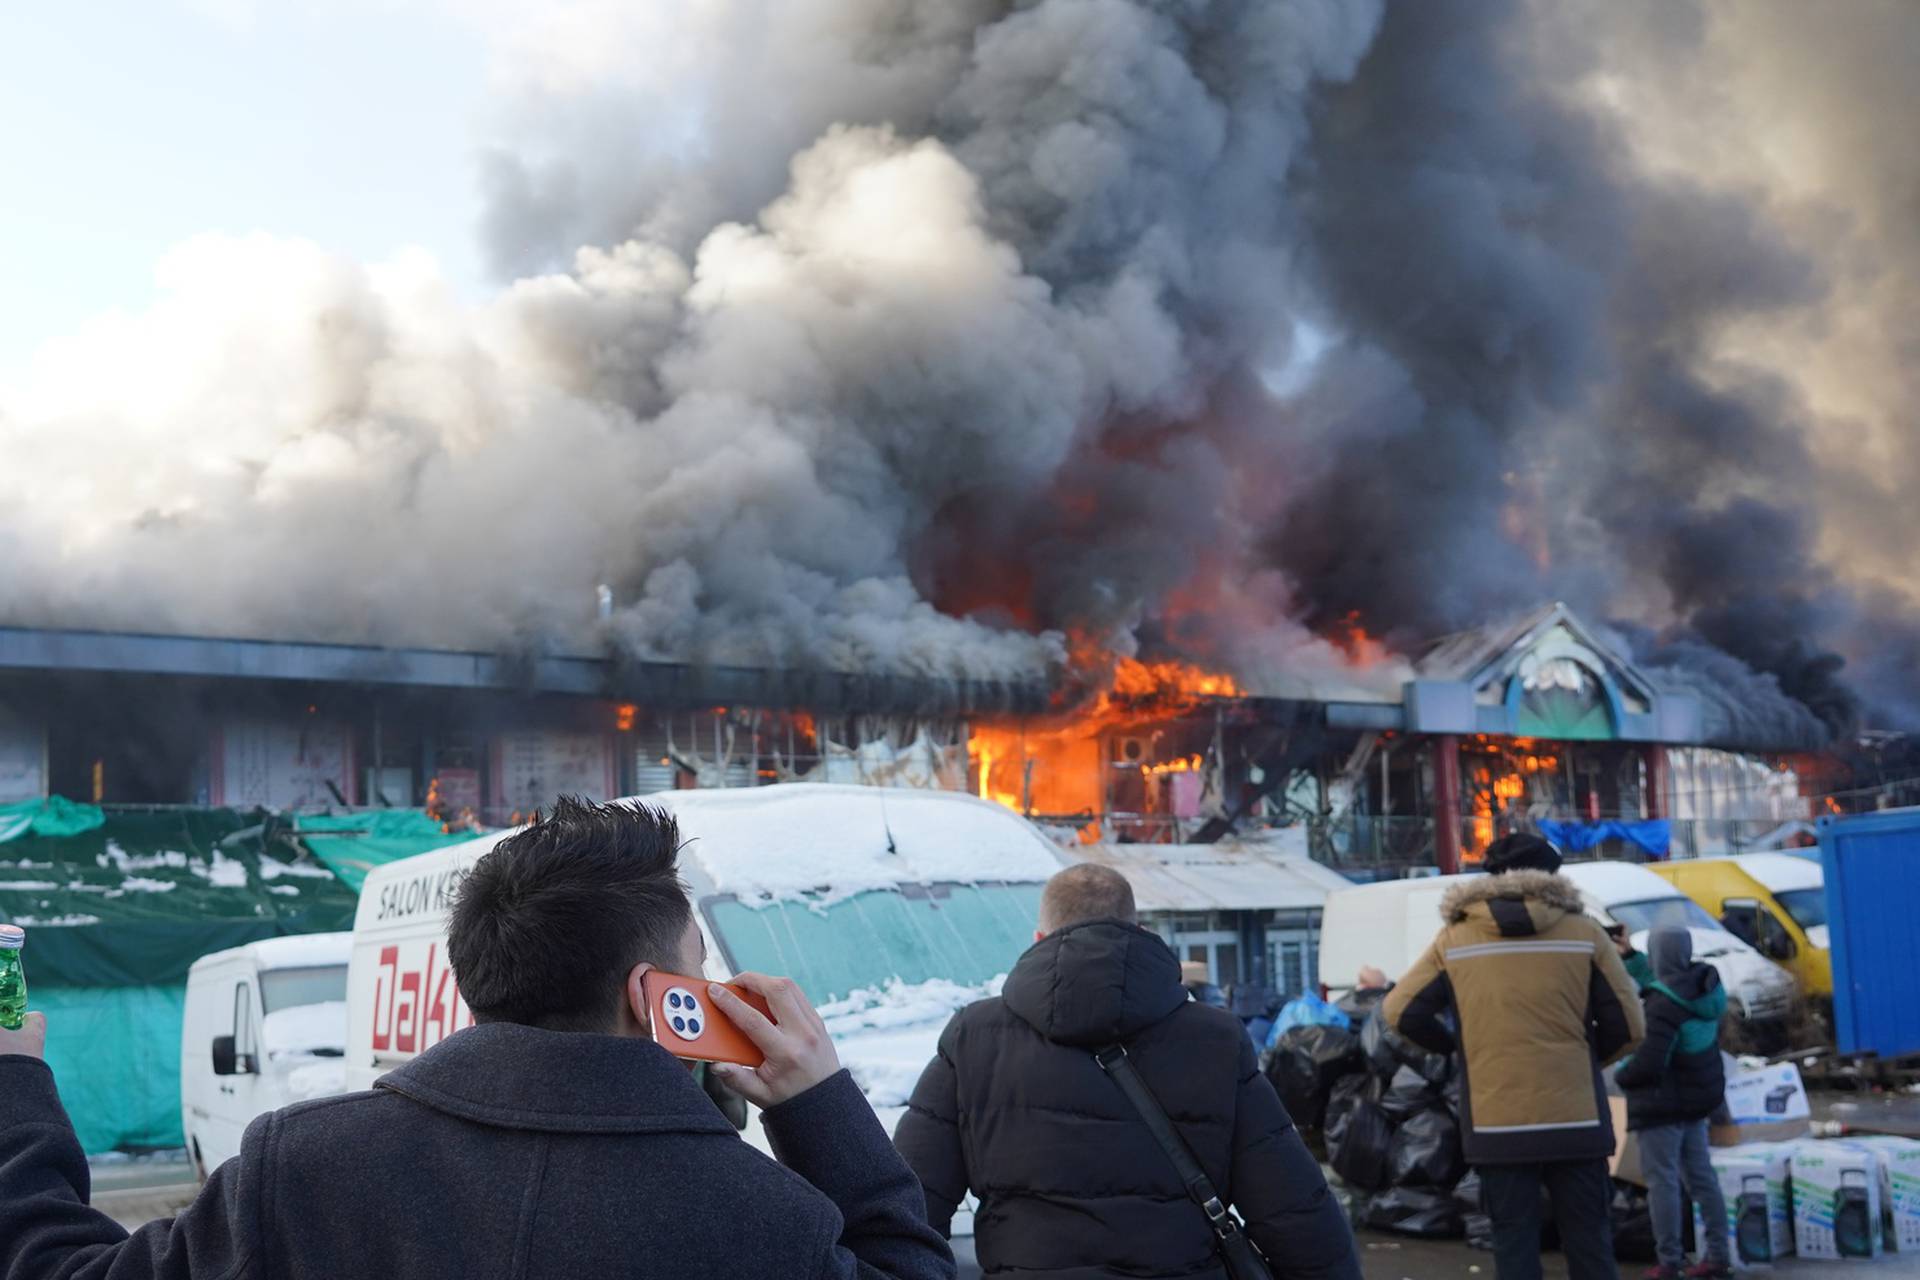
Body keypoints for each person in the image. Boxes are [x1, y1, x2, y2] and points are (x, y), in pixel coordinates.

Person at [0, 797, 954, 1280]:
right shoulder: (766, 1222)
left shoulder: (308, 1169)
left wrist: (12, 1083)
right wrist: (820, 1103)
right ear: (650, 998)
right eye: (695, 974)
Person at [893, 863, 1361, 1280]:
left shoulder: (973, 1037)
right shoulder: (1215, 1038)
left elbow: (908, 1208)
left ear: (1040, 940)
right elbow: (1294, 1210)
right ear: (1137, 929)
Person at [1383, 833, 1645, 1280]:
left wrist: (1458, 1050)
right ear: (1553, 876)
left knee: (1513, 1240)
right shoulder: (1584, 934)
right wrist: (1584, 1063)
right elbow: (1630, 1027)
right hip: (1576, 1120)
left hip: (1495, 1122)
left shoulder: (1456, 938)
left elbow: (1399, 1011)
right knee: (1589, 1240)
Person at [1614, 926, 1732, 1280]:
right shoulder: (1703, 987)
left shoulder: (1661, 1006)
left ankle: (1669, 1262)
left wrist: (1621, 1074)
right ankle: (1717, 1257)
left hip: (1663, 1106)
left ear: (1658, 955)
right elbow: (1666, 981)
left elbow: (1649, 1063)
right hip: (1695, 1102)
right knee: (1702, 1179)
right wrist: (1630, 959)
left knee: (1662, 1181)